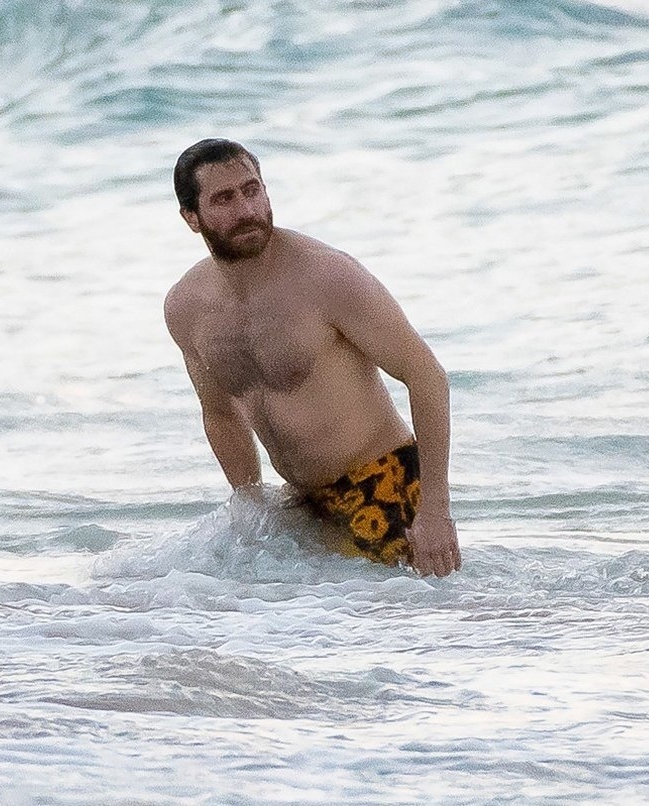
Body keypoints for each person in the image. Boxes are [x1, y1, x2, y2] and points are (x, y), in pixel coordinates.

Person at [164, 138, 461, 577]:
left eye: (252, 190)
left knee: (422, 614)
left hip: (384, 486)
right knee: (199, 591)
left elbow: (426, 375)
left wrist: (435, 510)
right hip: (300, 504)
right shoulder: (186, 307)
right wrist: (250, 511)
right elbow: (221, 414)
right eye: (224, 199)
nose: (246, 209)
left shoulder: (327, 277)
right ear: (192, 217)